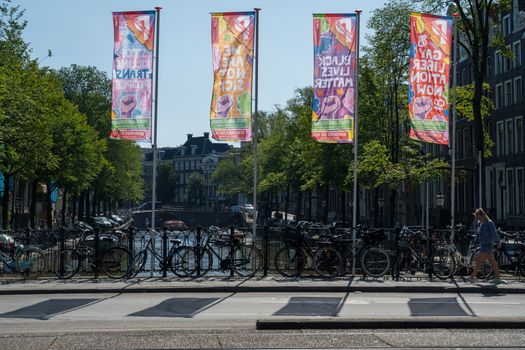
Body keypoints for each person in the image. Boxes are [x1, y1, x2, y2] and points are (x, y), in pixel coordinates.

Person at [469, 208, 501, 282]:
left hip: (487, 244)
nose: (477, 218)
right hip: (484, 244)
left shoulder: (489, 223)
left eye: (478, 216)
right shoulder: (480, 223)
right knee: (493, 262)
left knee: (478, 260)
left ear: (482, 215)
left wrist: (498, 241)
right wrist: (474, 243)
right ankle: (498, 278)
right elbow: (478, 234)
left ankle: (472, 277)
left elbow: (494, 233)